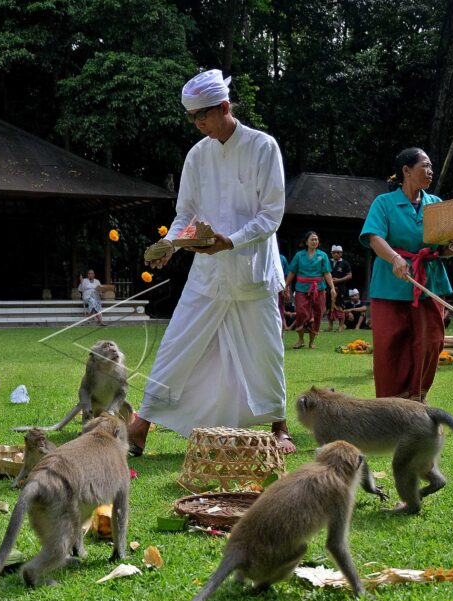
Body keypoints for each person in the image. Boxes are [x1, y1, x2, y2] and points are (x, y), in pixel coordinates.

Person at [126, 68, 296, 455]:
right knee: (177, 342)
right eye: (193, 118)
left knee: (265, 347)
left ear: (223, 107)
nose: (198, 124)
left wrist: (230, 241)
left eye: (203, 115)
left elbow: (272, 214)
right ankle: (141, 425)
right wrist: (170, 242)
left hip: (252, 270)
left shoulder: (263, 146)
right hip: (208, 271)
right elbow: (185, 213)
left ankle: (279, 425)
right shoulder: (196, 156)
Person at [360, 147, 453, 401]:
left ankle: (417, 398)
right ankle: (391, 405)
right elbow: (374, 237)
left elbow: (442, 248)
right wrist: (395, 258)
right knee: (391, 345)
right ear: (406, 171)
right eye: (424, 166)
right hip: (391, 284)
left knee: (431, 341)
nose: (430, 171)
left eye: (431, 167)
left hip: (430, 281)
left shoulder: (435, 204)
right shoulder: (384, 203)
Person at [284, 231, 335, 349]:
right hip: (302, 288)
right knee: (301, 312)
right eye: (312, 239)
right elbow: (292, 272)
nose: (315, 241)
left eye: (316, 239)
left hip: (319, 288)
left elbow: (326, 272)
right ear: (306, 242)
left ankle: (311, 342)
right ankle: (300, 339)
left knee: (318, 313)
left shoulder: (322, 255)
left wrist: (332, 287)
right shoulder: (299, 255)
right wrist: (286, 285)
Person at [326, 245, 352, 332]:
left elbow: (349, 275)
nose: (336, 254)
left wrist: (339, 280)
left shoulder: (345, 263)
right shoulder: (327, 262)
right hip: (328, 287)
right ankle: (330, 326)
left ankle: (341, 326)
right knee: (328, 305)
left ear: (341, 253)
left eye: (338, 252)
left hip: (340, 288)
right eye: (334, 252)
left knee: (340, 305)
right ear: (331, 253)